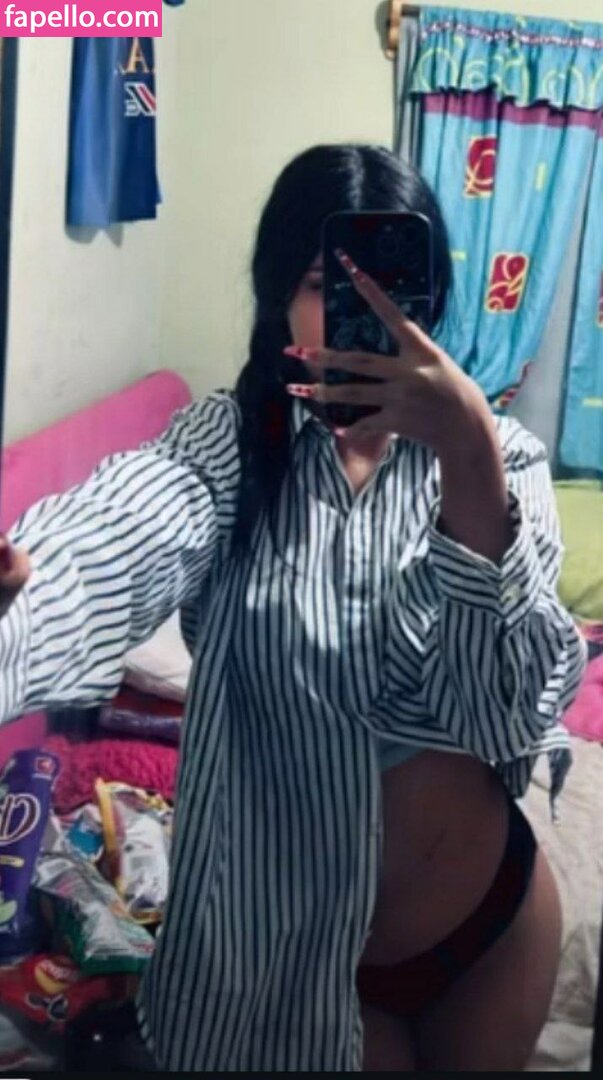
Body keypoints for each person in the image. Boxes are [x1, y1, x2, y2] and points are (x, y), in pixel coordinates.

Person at [0, 144, 586, 1072]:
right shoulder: (226, 446)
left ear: (432, 297)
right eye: (327, 283)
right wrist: (23, 591)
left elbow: (505, 711)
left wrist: (468, 458)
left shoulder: (500, 456)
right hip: (281, 963)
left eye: (395, 284)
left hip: (489, 929)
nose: (369, 313)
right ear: (281, 298)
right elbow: (114, 532)